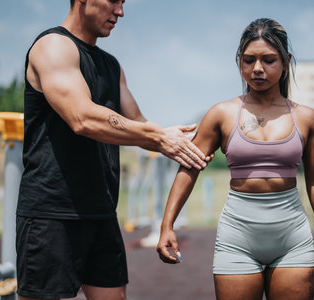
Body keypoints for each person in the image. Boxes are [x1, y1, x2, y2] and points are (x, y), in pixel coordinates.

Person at [16, 0, 212, 299]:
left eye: (123, 3)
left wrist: (193, 139)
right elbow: (81, 118)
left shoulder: (111, 65)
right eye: (113, 1)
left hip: (101, 211)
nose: (120, 12)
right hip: (52, 213)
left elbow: (138, 124)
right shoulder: (53, 46)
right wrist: (158, 136)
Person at [157, 18, 314, 300]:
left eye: (268, 60)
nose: (257, 69)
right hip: (237, 238)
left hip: (292, 238)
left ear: (285, 61)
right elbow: (188, 169)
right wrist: (167, 225)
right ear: (239, 62)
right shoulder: (221, 114)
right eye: (248, 60)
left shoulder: (307, 119)